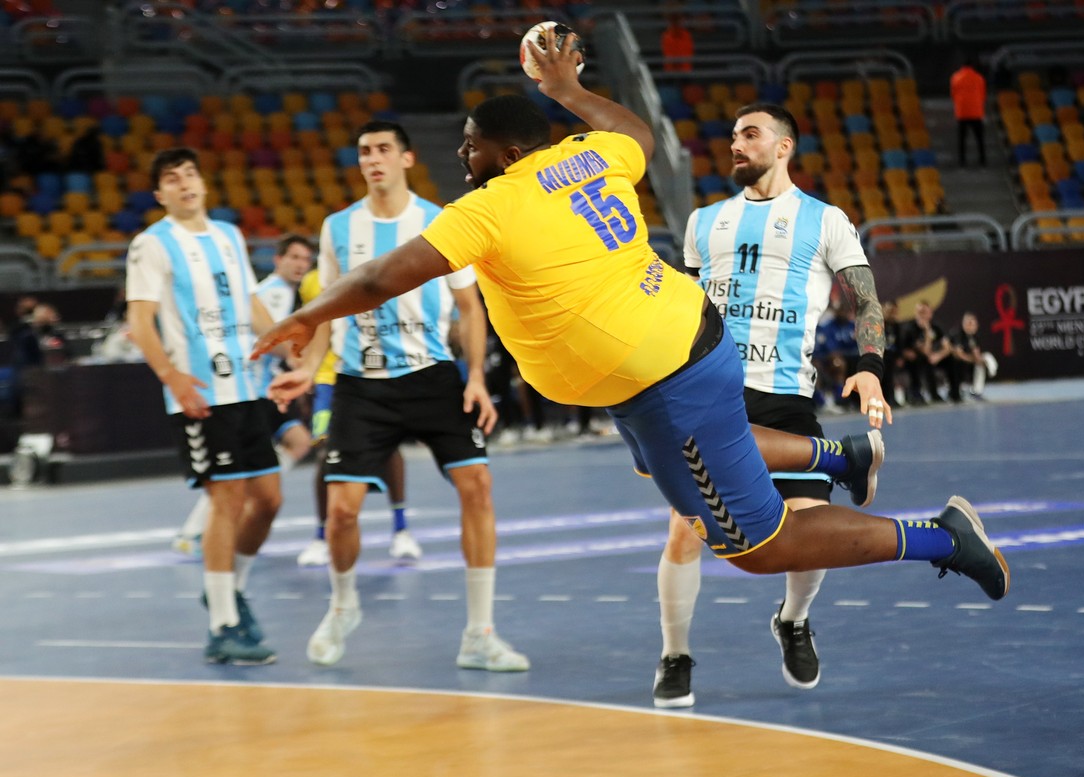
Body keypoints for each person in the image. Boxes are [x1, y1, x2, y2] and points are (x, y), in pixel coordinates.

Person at [253, 35, 1009, 649]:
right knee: (669, 463)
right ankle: (835, 457)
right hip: (670, 357)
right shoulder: (587, 155)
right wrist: (569, 90)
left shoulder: (489, 206)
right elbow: (637, 133)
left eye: (470, 143)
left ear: (505, 152)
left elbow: (386, 274)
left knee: (757, 546)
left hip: (666, 379)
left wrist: (307, 315)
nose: (462, 156)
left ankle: (941, 538)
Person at [653, 101, 890, 708]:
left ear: (783, 147)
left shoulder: (824, 219)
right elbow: (683, 314)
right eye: (733, 135)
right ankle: (675, 655)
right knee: (686, 530)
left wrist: (869, 370)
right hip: (711, 395)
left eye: (750, 135)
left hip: (786, 397)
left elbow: (867, 302)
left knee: (811, 526)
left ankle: (792, 619)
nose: (737, 144)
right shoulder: (704, 223)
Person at [268, 120, 524, 672]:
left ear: (407, 159)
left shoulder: (438, 222)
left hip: (431, 375)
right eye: (364, 151)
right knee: (340, 512)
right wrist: (308, 371)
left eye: (384, 149)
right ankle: (343, 606)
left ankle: (480, 632)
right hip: (362, 385)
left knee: (477, 484)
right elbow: (328, 313)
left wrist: (476, 376)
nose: (374, 159)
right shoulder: (338, 229)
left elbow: (469, 308)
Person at [125, 147, 283, 665]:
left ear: (203, 183)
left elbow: (250, 303)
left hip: (248, 388)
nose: (184, 183)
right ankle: (221, 625)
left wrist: (288, 345)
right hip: (200, 393)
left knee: (269, 499)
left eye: (191, 173)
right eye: (172, 178)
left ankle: (228, 588)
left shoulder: (229, 236)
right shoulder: (152, 245)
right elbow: (140, 324)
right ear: (160, 194)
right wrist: (173, 377)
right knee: (227, 500)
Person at [173, 233, 317, 558]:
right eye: (294, 258)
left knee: (295, 443)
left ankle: (200, 529)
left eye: (306, 260)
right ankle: (195, 531)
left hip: (262, 388)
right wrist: (296, 360)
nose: (300, 265)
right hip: (257, 390)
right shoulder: (273, 294)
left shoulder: (276, 293)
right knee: (236, 475)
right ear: (278, 260)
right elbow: (266, 338)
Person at [291, 266, 420, 568]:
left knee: (390, 447)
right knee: (326, 451)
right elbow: (308, 325)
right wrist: (303, 373)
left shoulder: (384, 267)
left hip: (376, 372)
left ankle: (401, 530)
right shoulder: (313, 281)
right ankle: (321, 536)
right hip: (329, 380)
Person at [900, 301, 954, 404]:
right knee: (922, 360)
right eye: (920, 312)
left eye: (925, 312)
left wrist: (938, 356)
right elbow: (925, 350)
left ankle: (954, 392)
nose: (923, 315)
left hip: (933, 357)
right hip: (915, 359)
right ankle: (919, 394)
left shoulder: (936, 327)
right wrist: (927, 331)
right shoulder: (911, 328)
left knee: (951, 359)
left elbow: (948, 347)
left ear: (931, 313)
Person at [950, 55, 987, 168]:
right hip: (976, 111)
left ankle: (962, 160)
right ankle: (982, 159)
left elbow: (953, 94)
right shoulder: (979, 77)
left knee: (962, 138)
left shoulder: (955, 77)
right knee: (979, 138)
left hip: (962, 112)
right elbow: (983, 94)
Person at [948, 311, 995, 399]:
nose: (971, 326)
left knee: (984, 360)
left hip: (968, 361)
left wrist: (981, 360)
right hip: (953, 363)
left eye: (973, 324)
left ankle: (976, 391)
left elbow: (976, 352)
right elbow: (960, 355)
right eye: (969, 323)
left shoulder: (974, 337)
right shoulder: (957, 334)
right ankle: (955, 390)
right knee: (958, 364)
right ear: (963, 323)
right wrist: (974, 360)